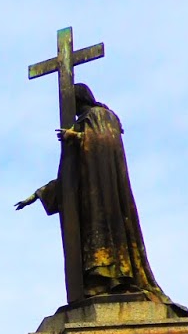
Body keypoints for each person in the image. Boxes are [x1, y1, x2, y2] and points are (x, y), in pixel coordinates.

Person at [16, 82, 172, 303]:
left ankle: (118, 278)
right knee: (91, 234)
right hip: (87, 194)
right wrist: (37, 195)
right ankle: (99, 282)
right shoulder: (82, 122)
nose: (74, 110)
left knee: (109, 229)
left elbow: (104, 142)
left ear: (80, 100)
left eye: (74, 104)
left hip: (105, 190)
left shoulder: (100, 115)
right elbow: (69, 177)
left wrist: (77, 137)